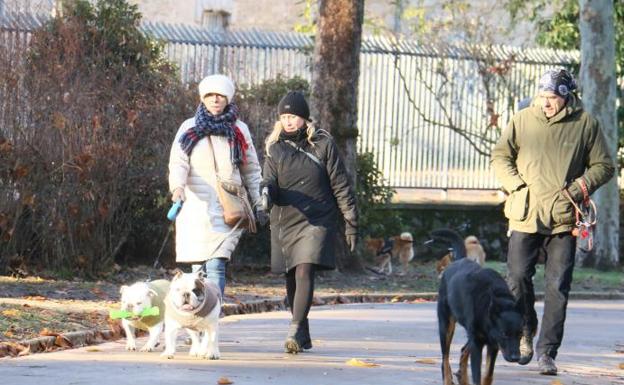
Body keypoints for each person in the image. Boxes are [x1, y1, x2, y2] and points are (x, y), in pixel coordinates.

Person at [491, 68, 615, 375]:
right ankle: (525, 328)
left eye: (553, 98)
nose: (546, 103)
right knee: (517, 278)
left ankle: (547, 352)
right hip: (525, 213)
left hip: (563, 218)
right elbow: (500, 156)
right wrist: (516, 185)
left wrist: (578, 188)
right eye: (543, 96)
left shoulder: (586, 124)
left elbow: (605, 165)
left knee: (558, 286)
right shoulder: (522, 119)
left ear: (567, 96)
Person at [262, 91, 358, 354]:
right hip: (285, 218)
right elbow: (268, 179)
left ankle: (293, 329)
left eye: (292, 116)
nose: (288, 121)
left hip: (317, 218)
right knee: (292, 278)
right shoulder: (275, 147)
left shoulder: (323, 143)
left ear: (304, 117)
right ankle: (302, 332)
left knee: (304, 270)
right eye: (283, 117)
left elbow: (340, 184)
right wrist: (266, 193)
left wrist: (351, 220)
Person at [168, 74, 262, 297]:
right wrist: (177, 188)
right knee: (197, 268)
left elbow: (251, 169)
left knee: (217, 264)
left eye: (220, 95)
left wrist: (259, 201)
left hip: (228, 207)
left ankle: (213, 313)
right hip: (194, 208)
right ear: (202, 98)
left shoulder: (239, 129)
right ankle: (199, 313)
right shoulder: (188, 127)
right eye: (210, 95)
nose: (215, 99)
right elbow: (178, 162)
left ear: (228, 98)